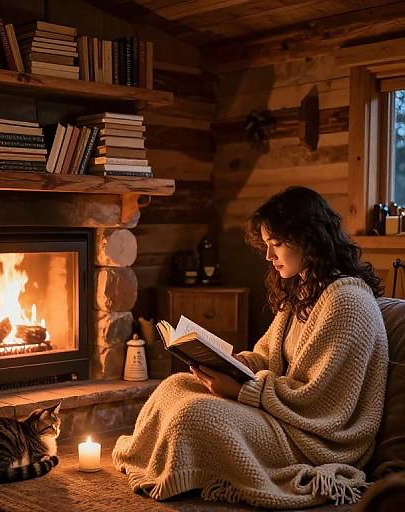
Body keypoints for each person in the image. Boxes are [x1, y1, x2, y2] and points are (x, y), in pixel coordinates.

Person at [112, 186, 389, 509]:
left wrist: (241, 391)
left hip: (316, 438)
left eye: (276, 245)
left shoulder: (347, 302)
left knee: (195, 414)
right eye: (267, 246)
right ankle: (150, 460)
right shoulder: (305, 288)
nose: (269, 257)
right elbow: (266, 356)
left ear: (309, 240)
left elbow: (320, 403)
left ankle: (181, 474)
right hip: (283, 410)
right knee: (174, 386)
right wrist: (225, 362)